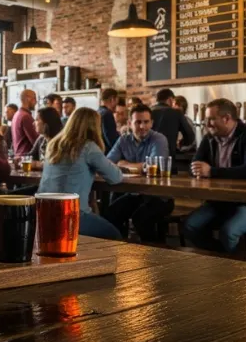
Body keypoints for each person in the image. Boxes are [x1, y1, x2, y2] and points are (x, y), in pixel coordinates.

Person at [183, 99, 246, 253]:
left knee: (228, 233)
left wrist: (211, 172)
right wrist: (196, 169)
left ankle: (236, 265)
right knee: (190, 226)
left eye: (211, 119)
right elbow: (194, 165)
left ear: (226, 118)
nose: (207, 124)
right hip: (218, 202)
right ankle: (219, 258)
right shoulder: (209, 138)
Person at [37, 107, 122, 240]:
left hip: (42, 212)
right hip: (70, 216)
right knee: (115, 236)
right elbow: (115, 177)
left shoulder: (54, 144)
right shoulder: (88, 147)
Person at [104, 104, 174, 242]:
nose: (142, 126)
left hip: (159, 196)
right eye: (138, 122)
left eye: (146, 122)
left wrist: (123, 164)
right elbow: (107, 163)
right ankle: (119, 249)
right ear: (130, 123)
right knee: (110, 215)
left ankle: (155, 252)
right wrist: (140, 166)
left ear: (152, 123)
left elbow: (153, 167)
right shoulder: (123, 140)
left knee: (141, 219)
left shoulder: (159, 139)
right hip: (134, 194)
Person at [151, 88, 195, 166]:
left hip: (148, 160)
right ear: (170, 99)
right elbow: (190, 137)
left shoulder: (148, 112)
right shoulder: (176, 113)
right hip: (168, 159)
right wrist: (180, 144)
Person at [12, 89, 39, 155]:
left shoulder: (17, 114)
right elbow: (36, 141)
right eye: (34, 98)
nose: (36, 102)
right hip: (26, 157)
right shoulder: (26, 116)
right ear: (28, 99)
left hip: (19, 155)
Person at [98, 88, 120, 155]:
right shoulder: (107, 114)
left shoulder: (98, 112)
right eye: (117, 101)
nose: (116, 105)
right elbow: (112, 140)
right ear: (112, 99)